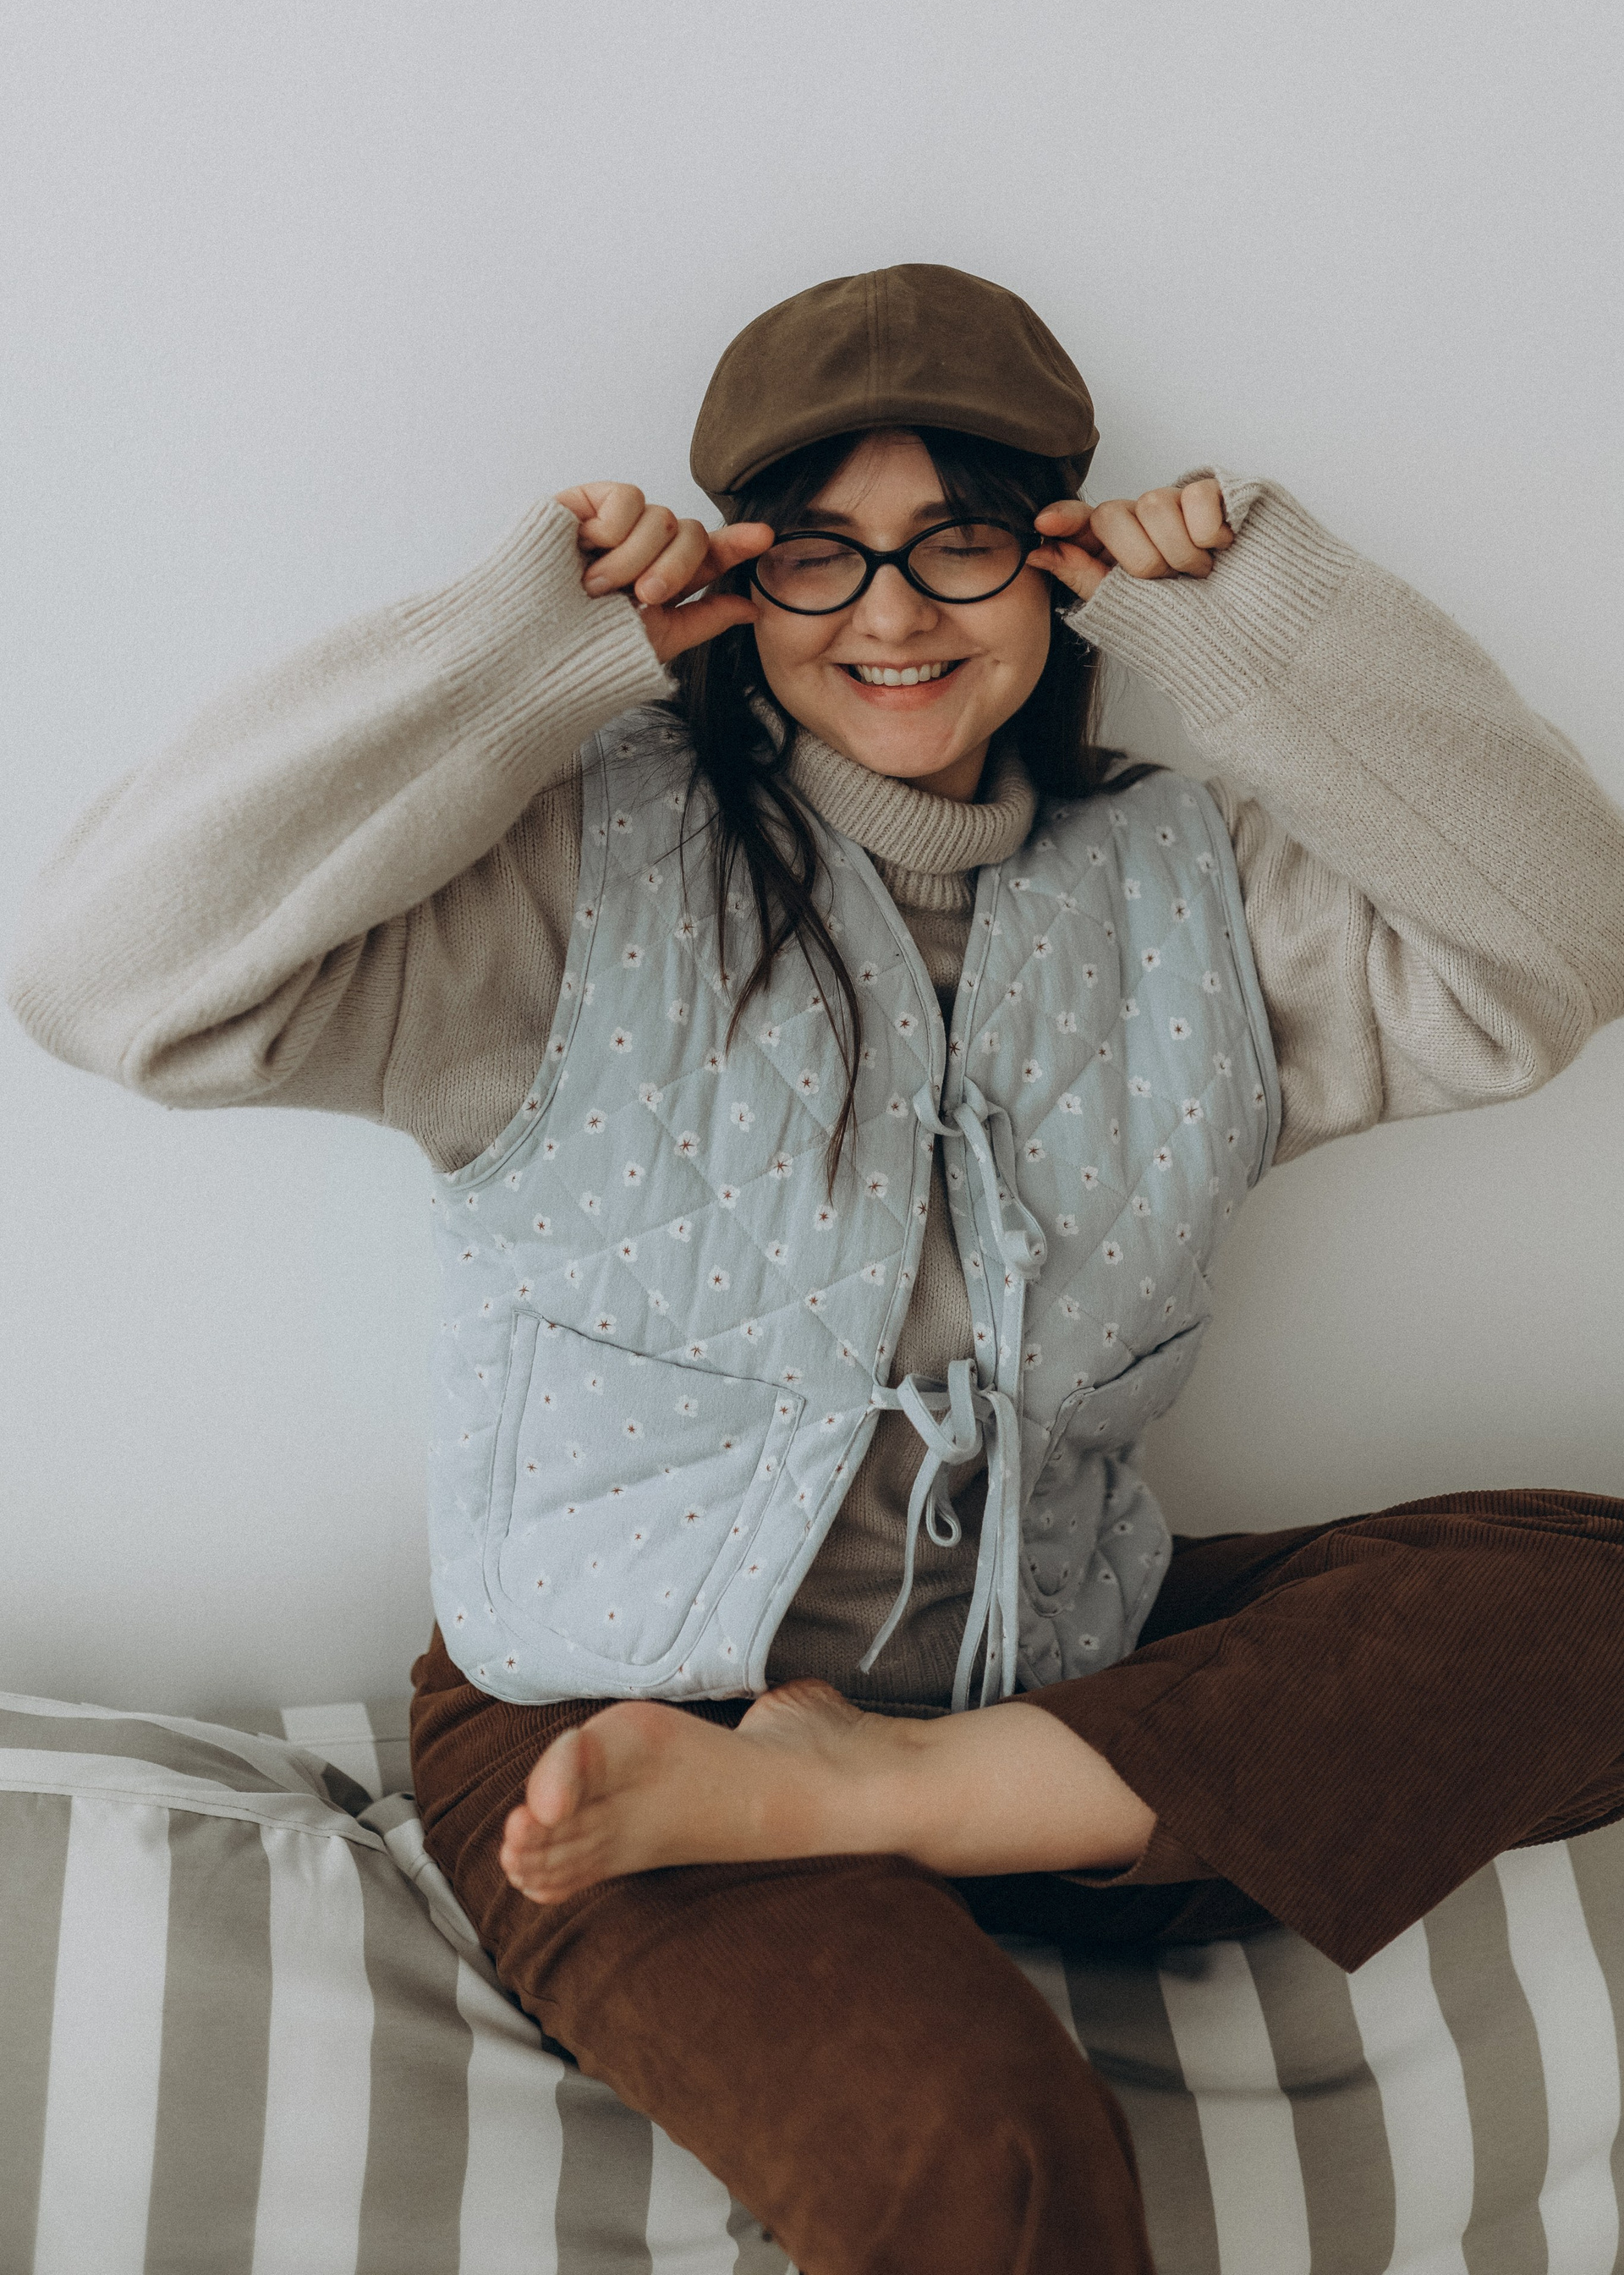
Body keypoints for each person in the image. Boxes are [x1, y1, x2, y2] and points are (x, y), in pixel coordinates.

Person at [11, 261, 1624, 2273]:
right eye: (816, 553)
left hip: (1045, 1686)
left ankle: (913, 1793)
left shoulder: (1193, 893)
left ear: (1054, 563)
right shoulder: (576, 878)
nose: (891, 612)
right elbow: (104, 976)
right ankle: (866, 1797)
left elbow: (1562, 950)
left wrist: (1264, 628)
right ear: (735, 582)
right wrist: (525, 649)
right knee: (985, 2163)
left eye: (958, 541)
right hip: (622, 1729)